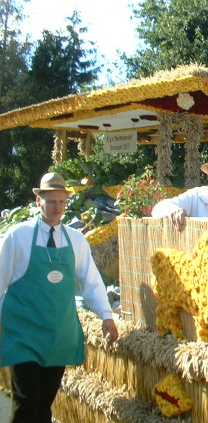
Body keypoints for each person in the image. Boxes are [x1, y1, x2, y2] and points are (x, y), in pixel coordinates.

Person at [0, 172, 118, 423]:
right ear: (38, 202)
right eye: (51, 201)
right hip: (24, 334)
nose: (57, 207)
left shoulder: (76, 240)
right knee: (27, 401)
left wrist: (107, 316)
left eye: (61, 202)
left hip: (57, 335)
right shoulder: (17, 236)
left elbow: (91, 281)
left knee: (44, 403)